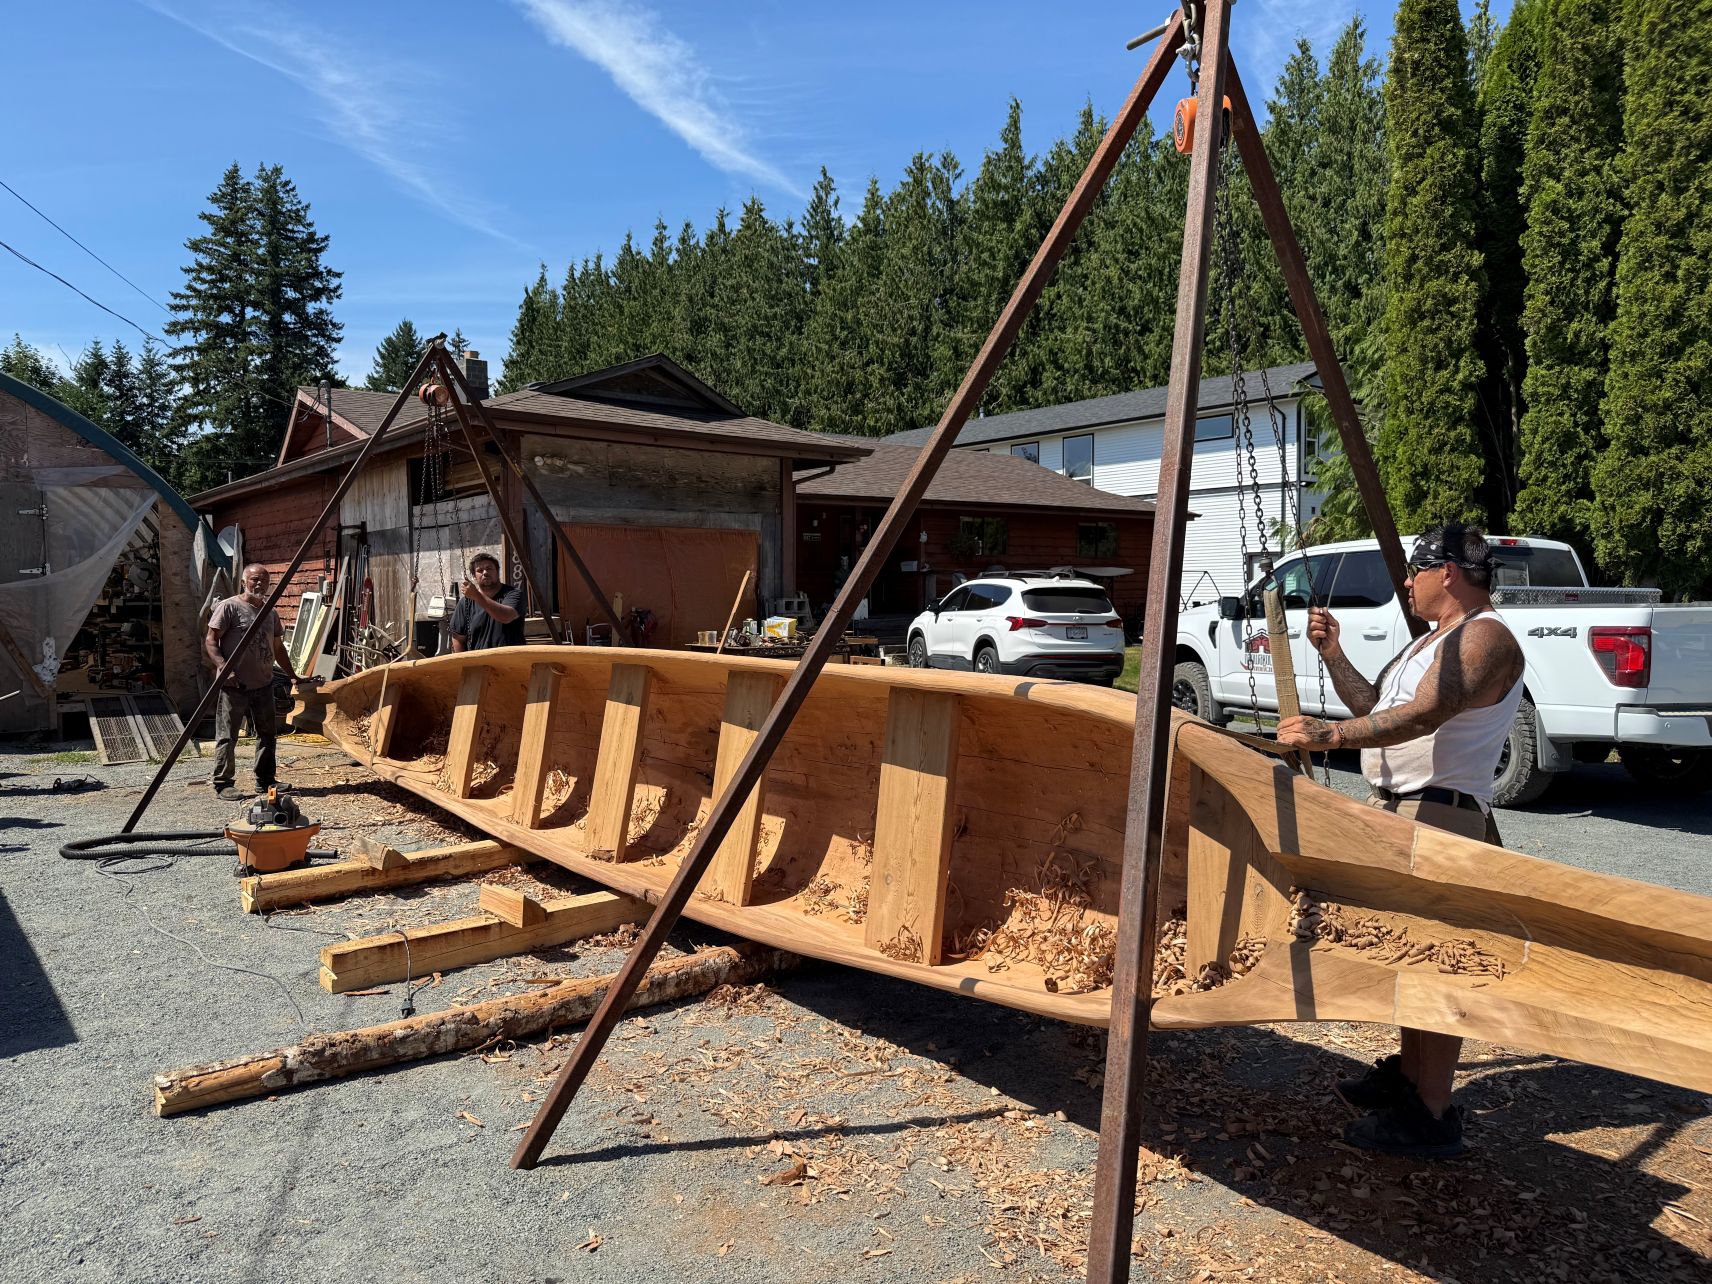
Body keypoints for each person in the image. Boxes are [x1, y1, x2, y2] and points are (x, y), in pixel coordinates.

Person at [1277, 522, 1524, 1159]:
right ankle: (1411, 1081)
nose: (1406, 582)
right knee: (1407, 957)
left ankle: (1432, 1113)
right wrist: (1333, 656)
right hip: (1400, 811)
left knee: (1436, 963)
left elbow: (1426, 713)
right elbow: (1376, 708)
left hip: (1439, 815)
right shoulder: (1432, 642)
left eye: (1415, 569)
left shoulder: (1486, 637)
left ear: (1450, 572)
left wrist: (1329, 738)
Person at [206, 563, 301, 802]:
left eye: (264, 580)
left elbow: (278, 648)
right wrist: (223, 667)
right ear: (243, 582)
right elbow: (210, 641)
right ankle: (223, 784)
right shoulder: (229, 607)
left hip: (264, 684)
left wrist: (292, 675)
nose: (259, 584)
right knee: (228, 736)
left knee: (267, 734)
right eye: (254, 579)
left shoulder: (270, 612)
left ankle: (265, 780)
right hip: (234, 685)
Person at [449, 552, 524, 652]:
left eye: (489, 569)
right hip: (480, 663)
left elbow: (506, 616)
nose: (485, 573)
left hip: (510, 661)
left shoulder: (513, 594)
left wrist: (477, 595)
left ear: (497, 571)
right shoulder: (465, 603)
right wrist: (464, 665)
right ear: (474, 576)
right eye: (479, 570)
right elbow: (458, 639)